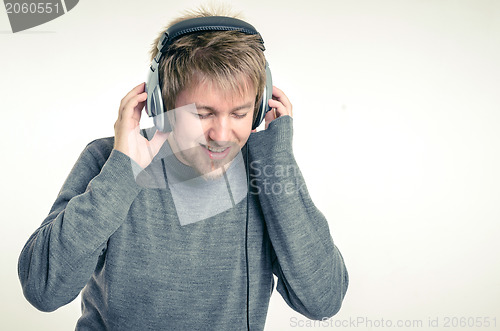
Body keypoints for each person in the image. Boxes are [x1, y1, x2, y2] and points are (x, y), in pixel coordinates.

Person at [18, 7, 348, 330]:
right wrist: (123, 170)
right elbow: (43, 290)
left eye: (239, 114)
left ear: (260, 108)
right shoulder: (110, 160)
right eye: (203, 114)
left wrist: (278, 161)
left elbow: (323, 301)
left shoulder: (267, 172)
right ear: (161, 103)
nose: (221, 135)